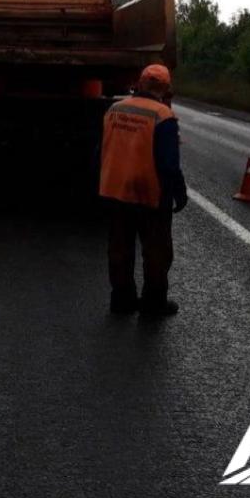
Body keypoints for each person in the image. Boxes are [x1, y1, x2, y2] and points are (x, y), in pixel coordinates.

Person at [97, 63, 188, 317]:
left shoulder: (115, 109)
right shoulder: (163, 116)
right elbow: (169, 164)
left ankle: (122, 300)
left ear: (139, 83)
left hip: (115, 189)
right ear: (165, 88)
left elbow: (101, 150)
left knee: (120, 248)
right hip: (148, 193)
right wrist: (179, 193)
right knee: (156, 251)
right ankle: (153, 304)